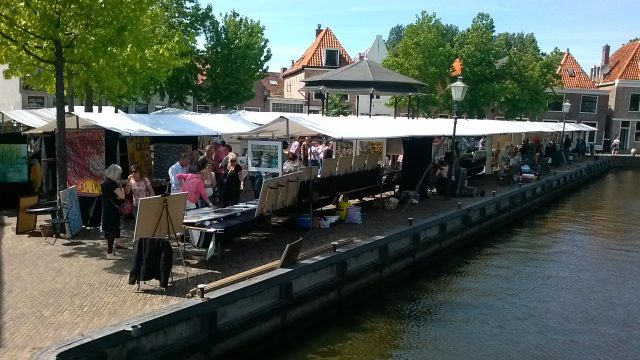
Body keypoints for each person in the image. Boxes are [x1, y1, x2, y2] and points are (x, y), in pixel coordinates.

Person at [101, 164, 127, 257]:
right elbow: (122, 196)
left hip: (106, 207)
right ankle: (110, 252)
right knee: (113, 229)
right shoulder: (113, 184)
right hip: (113, 209)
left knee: (108, 229)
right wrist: (123, 190)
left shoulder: (104, 183)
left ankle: (110, 250)